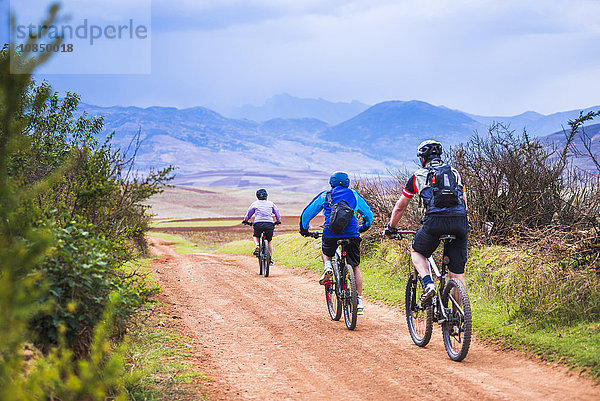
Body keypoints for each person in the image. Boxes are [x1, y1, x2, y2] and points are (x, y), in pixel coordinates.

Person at [384, 140, 468, 302]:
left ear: (422, 158)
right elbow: (464, 202)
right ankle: (458, 320)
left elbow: (400, 207)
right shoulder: (455, 173)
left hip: (435, 223)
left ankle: (428, 284)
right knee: (457, 274)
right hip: (460, 222)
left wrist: (391, 227)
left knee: (417, 251)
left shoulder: (417, 176)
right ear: (440, 156)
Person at [299, 171, 374, 315]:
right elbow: (368, 214)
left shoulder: (325, 196)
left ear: (331, 182)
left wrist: (304, 229)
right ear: (347, 182)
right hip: (352, 233)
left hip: (331, 233)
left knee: (326, 251)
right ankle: (358, 301)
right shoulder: (354, 195)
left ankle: (327, 266)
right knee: (355, 266)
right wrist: (364, 226)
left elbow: (307, 214)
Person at [243, 188, 281, 261]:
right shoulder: (271, 203)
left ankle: (257, 245)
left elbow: (249, 213)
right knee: (269, 241)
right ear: (266, 195)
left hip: (258, 224)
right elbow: (277, 212)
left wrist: (245, 220)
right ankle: (270, 259)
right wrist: (278, 220)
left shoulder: (255, 204)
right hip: (269, 224)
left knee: (255, 236)